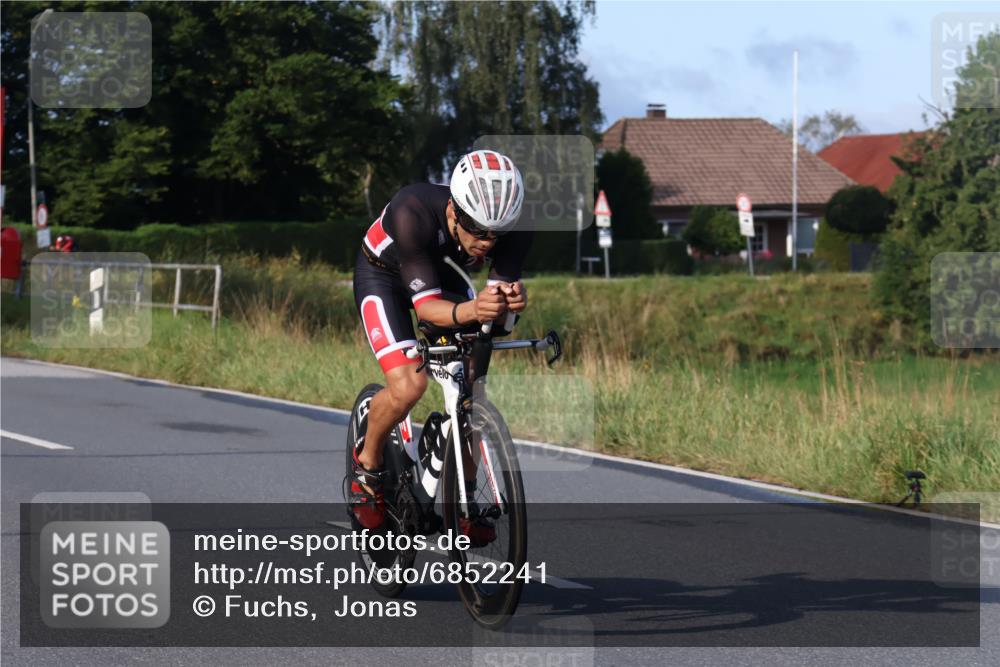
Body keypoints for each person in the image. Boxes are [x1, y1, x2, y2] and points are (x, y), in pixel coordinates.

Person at [349, 150, 531, 541]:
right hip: (384, 276)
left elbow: (494, 315)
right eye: (479, 231)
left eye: (497, 235)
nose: (487, 243)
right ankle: (367, 466)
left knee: (471, 386)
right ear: (454, 210)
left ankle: (464, 501)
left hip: (441, 277)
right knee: (409, 385)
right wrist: (472, 309)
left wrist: (511, 305)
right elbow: (430, 311)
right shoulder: (411, 209)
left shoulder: (510, 227)